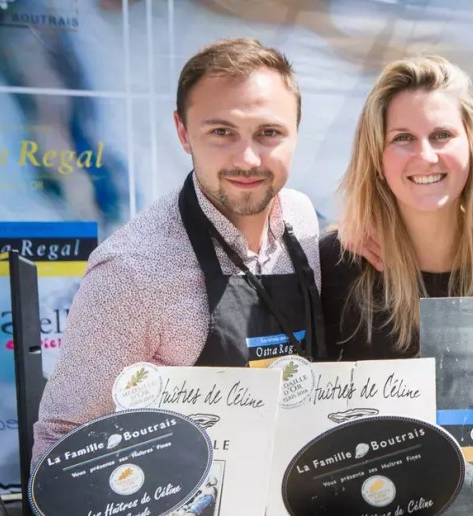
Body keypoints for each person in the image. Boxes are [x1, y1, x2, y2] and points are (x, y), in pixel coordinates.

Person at [33, 38, 324, 459]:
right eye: (221, 132)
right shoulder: (132, 271)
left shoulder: (302, 218)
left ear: (296, 133)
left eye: (269, 133)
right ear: (183, 133)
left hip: (301, 504)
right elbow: (62, 442)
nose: (248, 158)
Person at [320, 55, 473, 361]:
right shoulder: (339, 260)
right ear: (376, 156)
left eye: (442, 135)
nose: (425, 156)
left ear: (472, 143)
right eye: (402, 138)